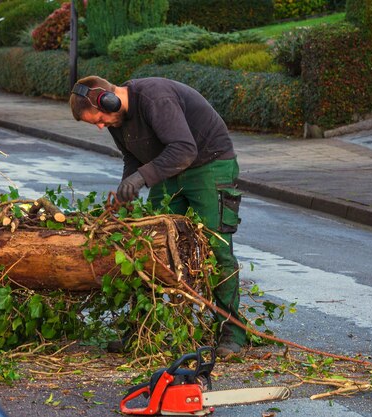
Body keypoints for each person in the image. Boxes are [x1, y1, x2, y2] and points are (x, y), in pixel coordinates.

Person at [69, 75, 245, 358]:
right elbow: (133, 156)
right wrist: (127, 190)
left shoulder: (155, 98)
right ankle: (143, 329)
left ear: (109, 99)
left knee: (216, 249)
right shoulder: (118, 118)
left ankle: (233, 333)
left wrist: (140, 179)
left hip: (208, 165)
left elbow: (184, 149)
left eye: (100, 118)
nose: (101, 125)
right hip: (168, 169)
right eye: (96, 123)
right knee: (149, 247)